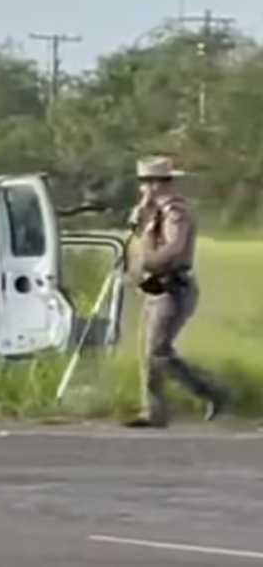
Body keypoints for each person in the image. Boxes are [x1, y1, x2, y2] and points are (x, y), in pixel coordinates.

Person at [124, 155, 228, 428]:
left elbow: (174, 248)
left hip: (172, 287)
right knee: (150, 353)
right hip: (157, 287)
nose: (142, 189)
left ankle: (212, 391)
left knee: (158, 352)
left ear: (156, 184)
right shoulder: (153, 212)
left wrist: (148, 260)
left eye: (145, 183)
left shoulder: (175, 213)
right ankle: (154, 412)